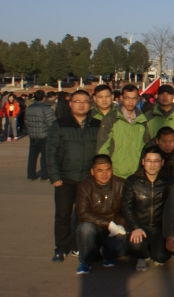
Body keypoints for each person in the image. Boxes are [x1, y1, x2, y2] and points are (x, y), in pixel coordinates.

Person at [47, 90, 101, 261]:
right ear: (70, 104)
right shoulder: (60, 124)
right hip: (65, 178)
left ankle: (78, 245)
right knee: (63, 215)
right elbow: (51, 152)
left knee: (82, 215)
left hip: (87, 179)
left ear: (90, 105)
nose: (81, 104)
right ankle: (61, 248)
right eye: (77, 101)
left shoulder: (97, 125)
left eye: (85, 101)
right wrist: (55, 176)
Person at [121, 146, 174, 271]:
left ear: (162, 162)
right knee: (135, 244)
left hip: (160, 228)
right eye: (149, 161)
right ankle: (142, 256)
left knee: (161, 257)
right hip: (141, 226)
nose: (152, 165)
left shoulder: (169, 181)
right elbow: (126, 206)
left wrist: (170, 232)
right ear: (143, 162)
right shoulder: (133, 181)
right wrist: (135, 227)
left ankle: (154, 250)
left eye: (156, 161)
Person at [74, 155, 128, 274]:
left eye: (107, 170)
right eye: (100, 170)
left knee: (123, 247)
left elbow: (127, 209)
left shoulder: (121, 184)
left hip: (114, 227)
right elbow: (83, 213)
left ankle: (107, 252)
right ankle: (84, 262)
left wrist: (121, 225)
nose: (104, 174)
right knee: (86, 228)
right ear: (92, 171)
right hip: (93, 226)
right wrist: (108, 224)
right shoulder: (84, 187)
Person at [96, 84, 150, 180]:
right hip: (115, 174)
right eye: (127, 98)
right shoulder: (111, 118)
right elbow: (102, 147)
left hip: (136, 174)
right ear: (121, 98)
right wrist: (105, 171)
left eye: (133, 98)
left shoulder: (142, 120)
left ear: (138, 99)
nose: (130, 102)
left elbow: (147, 146)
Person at [25, 89, 55, 181]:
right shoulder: (46, 108)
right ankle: (44, 176)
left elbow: (26, 121)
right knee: (44, 157)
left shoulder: (29, 107)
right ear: (43, 98)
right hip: (44, 134)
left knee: (32, 156)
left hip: (33, 135)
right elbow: (50, 122)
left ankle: (31, 175)